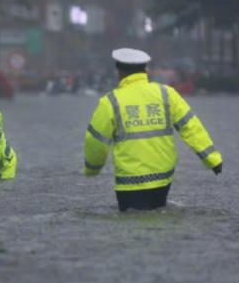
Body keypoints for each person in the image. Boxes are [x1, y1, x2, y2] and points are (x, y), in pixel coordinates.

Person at [83, 48, 223, 211]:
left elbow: (96, 141)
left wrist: (92, 169)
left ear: (119, 71)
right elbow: (191, 127)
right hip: (163, 179)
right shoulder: (166, 94)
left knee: (130, 226)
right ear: (145, 70)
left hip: (129, 183)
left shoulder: (111, 101)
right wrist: (213, 160)